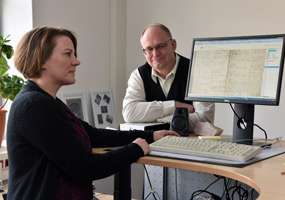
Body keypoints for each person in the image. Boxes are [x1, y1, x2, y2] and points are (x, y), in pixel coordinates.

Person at [6, 27, 179, 200]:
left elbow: (95, 135)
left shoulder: (46, 102)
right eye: (68, 54)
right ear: (42, 60)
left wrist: (151, 136)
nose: (76, 61)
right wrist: (135, 149)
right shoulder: (34, 105)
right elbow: (84, 167)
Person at [122, 23, 215, 131]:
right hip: (152, 144)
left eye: (160, 46)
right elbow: (129, 113)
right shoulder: (138, 75)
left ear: (173, 45)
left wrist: (157, 120)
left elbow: (204, 121)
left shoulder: (197, 71)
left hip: (188, 143)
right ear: (144, 53)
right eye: (149, 49)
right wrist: (174, 106)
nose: (155, 53)